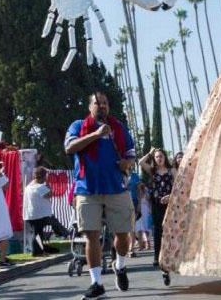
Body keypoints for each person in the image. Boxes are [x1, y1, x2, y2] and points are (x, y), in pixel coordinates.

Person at [65, 91, 136, 299]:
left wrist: (127, 163)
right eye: (97, 103)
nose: (102, 106)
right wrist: (95, 135)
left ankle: (119, 266)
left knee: (123, 235)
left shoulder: (119, 128)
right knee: (91, 236)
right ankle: (96, 283)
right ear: (90, 107)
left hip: (116, 188)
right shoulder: (78, 126)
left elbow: (130, 154)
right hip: (87, 190)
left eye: (105, 103)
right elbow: (69, 148)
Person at [139, 148, 175, 268]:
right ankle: (157, 256)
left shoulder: (172, 171)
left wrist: (170, 196)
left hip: (170, 203)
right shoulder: (152, 171)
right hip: (156, 203)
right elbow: (141, 162)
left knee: (169, 230)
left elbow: (177, 187)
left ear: (165, 157)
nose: (159, 159)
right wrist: (150, 153)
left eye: (161, 156)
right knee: (158, 230)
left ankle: (170, 255)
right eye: (157, 157)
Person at [23, 167, 67, 256]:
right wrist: (48, 185)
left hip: (31, 214)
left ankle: (42, 249)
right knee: (38, 233)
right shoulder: (40, 187)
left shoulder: (29, 186)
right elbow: (49, 194)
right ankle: (37, 252)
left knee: (38, 232)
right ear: (43, 176)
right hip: (39, 214)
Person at [134, 182, 152, 252]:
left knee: (145, 228)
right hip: (139, 212)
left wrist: (150, 210)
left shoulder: (146, 193)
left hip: (145, 212)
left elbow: (150, 202)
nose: (138, 186)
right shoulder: (136, 193)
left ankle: (146, 243)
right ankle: (142, 244)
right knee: (139, 229)